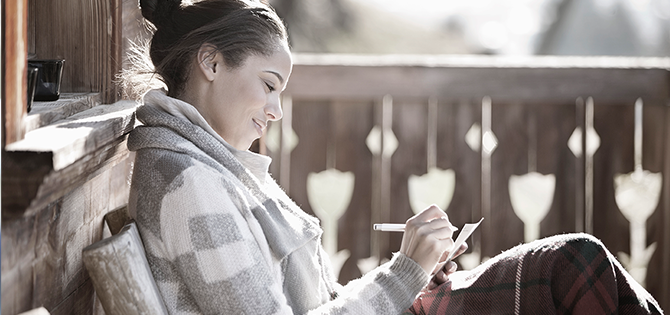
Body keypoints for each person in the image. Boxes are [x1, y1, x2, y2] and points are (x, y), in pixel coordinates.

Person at [124, 0, 664, 314]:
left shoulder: (207, 166)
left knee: (574, 267)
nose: (276, 111)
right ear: (211, 63)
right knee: (574, 266)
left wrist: (412, 271)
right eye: (269, 85)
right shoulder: (186, 183)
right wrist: (405, 271)